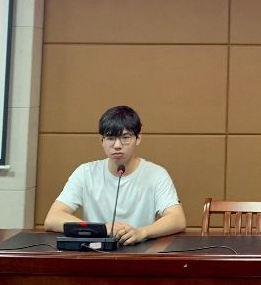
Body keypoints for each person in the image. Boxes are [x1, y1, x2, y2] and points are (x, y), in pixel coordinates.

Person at [44, 105, 186, 245]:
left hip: (140, 251)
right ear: (101, 140)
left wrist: (142, 232)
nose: (117, 145)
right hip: (95, 251)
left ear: (138, 138)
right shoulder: (85, 173)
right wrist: (102, 229)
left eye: (125, 137)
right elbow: (52, 219)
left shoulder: (156, 174)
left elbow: (177, 219)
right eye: (110, 138)